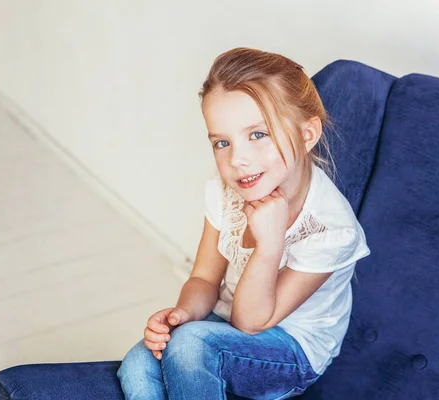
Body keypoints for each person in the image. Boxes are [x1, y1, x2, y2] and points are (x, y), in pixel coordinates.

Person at [116, 47, 371, 400]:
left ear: (307, 134)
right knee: (138, 362)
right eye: (222, 143)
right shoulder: (225, 193)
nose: (238, 160)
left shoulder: (331, 230)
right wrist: (182, 314)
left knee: (190, 345)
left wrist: (270, 244)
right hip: (223, 325)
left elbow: (252, 322)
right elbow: (205, 277)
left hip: (291, 349)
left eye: (257, 135)